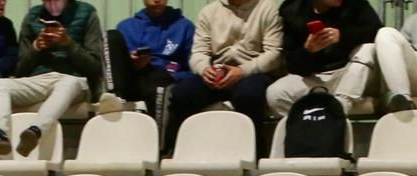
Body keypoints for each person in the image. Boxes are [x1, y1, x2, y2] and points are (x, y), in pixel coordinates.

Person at [0, 0, 114, 158]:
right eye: (47, 1)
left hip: (74, 79)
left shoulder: (87, 13)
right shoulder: (33, 16)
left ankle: (35, 131)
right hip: (39, 79)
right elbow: (20, 69)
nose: (52, 5)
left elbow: (95, 67)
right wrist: (36, 48)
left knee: (68, 83)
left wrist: (68, 44)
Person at [168, 0, 283, 153]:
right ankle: (179, 151)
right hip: (217, 71)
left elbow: (274, 54)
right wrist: (204, 69)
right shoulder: (209, 11)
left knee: (248, 95)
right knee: (181, 93)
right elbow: (199, 52)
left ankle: (253, 153)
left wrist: (242, 71)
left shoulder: (268, 8)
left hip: (254, 71)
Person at [265, 0, 382, 117]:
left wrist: (343, 36)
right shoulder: (292, 11)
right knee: (275, 94)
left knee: (367, 49)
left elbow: (377, 32)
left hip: (350, 75)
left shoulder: (355, 3)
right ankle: (349, 108)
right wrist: (308, 51)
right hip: (315, 77)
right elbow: (292, 66)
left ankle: (341, 105)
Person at [110, 0, 194, 117]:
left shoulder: (185, 26)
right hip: (131, 79)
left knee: (159, 82)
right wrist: (132, 63)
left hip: (164, 80)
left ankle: (160, 134)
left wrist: (173, 75)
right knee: (111, 36)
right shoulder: (125, 26)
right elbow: (118, 64)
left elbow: (193, 69)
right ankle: (114, 96)